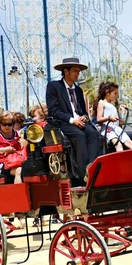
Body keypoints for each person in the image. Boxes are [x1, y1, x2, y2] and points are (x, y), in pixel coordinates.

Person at [46, 57, 102, 187]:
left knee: (94, 134)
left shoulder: (78, 90)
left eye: (79, 71)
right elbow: (54, 111)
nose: (78, 74)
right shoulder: (54, 86)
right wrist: (73, 120)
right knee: (79, 135)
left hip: (80, 122)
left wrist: (84, 117)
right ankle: (83, 174)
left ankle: (92, 168)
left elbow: (83, 111)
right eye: (75, 71)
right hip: (64, 123)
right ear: (66, 71)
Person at [94, 82, 132, 152]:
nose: (117, 96)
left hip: (116, 129)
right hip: (108, 130)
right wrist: (109, 118)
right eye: (115, 93)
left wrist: (123, 115)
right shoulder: (102, 103)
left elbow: (119, 122)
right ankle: (121, 162)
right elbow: (99, 119)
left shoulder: (112, 105)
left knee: (130, 143)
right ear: (107, 93)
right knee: (118, 145)